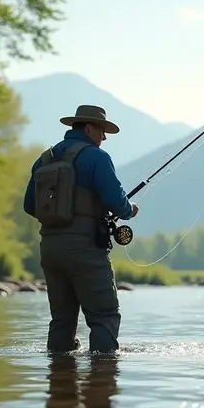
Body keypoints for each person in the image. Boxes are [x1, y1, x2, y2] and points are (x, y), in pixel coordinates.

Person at [23, 105, 138, 353]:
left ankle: (59, 382)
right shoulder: (97, 157)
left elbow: (29, 205)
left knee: (62, 321)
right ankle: (102, 380)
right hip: (85, 248)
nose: (104, 138)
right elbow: (114, 201)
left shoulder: (44, 159)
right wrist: (129, 209)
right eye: (102, 131)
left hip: (50, 250)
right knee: (104, 316)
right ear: (88, 128)